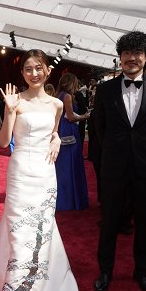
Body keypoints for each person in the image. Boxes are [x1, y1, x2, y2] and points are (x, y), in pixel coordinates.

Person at [0, 49, 81, 291]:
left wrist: (56, 139)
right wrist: (10, 111)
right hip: (21, 170)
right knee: (18, 228)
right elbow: (2, 142)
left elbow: (54, 132)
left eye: (38, 68)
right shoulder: (17, 101)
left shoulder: (57, 105)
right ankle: (16, 290)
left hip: (46, 173)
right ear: (22, 73)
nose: (33, 73)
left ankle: (38, 284)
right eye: (28, 69)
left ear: (48, 71)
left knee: (41, 227)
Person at [93, 31, 146, 291]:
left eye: (137, 53)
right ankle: (105, 271)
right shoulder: (104, 90)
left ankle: (142, 272)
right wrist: (117, 149)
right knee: (110, 220)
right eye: (126, 53)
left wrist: (141, 148)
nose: (131, 58)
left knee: (144, 223)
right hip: (114, 165)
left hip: (144, 166)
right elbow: (99, 128)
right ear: (120, 58)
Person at [55, 73, 89, 210]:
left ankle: (63, 197)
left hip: (62, 130)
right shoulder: (67, 96)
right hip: (69, 131)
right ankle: (71, 199)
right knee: (71, 164)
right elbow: (70, 117)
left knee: (63, 165)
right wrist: (85, 117)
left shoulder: (59, 95)